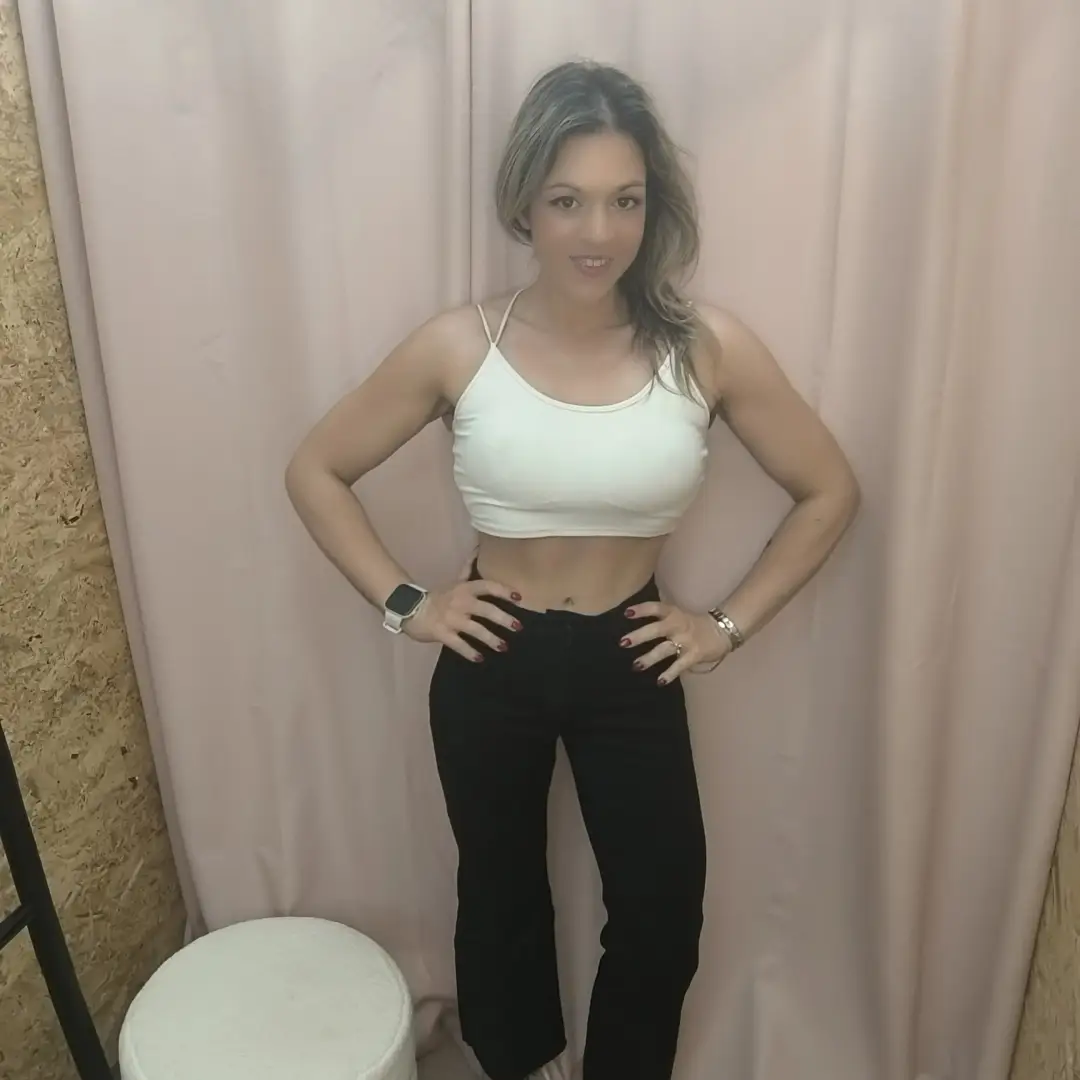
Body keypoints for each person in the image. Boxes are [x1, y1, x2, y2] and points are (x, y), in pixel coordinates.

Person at [285, 59, 860, 1080]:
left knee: (663, 904)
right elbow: (316, 470)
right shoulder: (458, 345)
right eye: (569, 201)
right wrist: (409, 603)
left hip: (630, 656)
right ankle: (516, 1062)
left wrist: (723, 627)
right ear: (526, 204)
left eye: (624, 201)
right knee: (498, 890)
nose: (599, 232)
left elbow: (829, 491)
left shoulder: (706, 348)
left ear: (652, 205)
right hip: (492, 655)